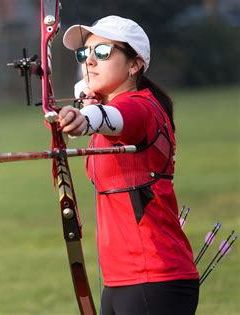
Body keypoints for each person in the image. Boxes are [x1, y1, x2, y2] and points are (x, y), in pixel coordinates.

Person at [59, 16, 199, 315]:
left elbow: (116, 118)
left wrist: (84, 118)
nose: (90, 62)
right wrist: (87, 105)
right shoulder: (109, 107)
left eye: (103, 52)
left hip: (155, 275)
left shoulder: (140, 107)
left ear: (134, 64)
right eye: (84, 54)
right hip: (121, 278)